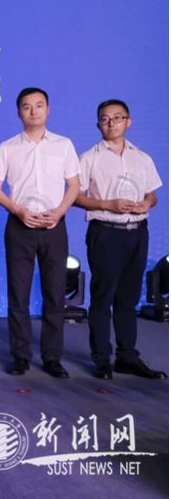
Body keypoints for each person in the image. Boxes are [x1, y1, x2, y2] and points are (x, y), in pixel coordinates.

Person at [75, 99, 166, 380]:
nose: (111, 123)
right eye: (105, 119)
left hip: (137, 232)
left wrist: (146, 204)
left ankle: (127, 357)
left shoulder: (142, 157)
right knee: (103, 297)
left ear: (129, 121)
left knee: (128, 298)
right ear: (98, 124)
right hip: (106, 232)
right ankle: (102, 358)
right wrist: (108, 204)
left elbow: (152, 194)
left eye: (117, 117)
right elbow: (75, 197)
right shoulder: (89, 158)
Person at [0, 87, 80, 379]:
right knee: (18, 293)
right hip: (20, 226)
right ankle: (20, 356)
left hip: (54, 226)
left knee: (54, 293)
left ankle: (52, 357)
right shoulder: (7, 147)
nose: (33, 111)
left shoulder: (64, 145)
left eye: (39, 105)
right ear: (19, 112)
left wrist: (60, 212)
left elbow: (74, 185)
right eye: (27, 106)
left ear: (48, 110)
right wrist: (17, 210)